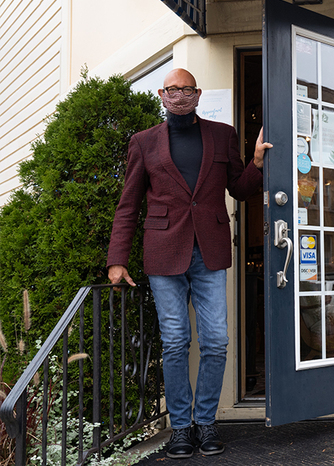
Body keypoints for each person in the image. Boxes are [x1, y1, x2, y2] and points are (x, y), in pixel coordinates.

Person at [107, 68, 272, 459]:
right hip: (164, 252)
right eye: (172, 90)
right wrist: (117, 260)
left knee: (216, 341)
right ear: (162, 95)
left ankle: (205, 421)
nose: (179, 96)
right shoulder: (144, 142)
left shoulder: (221, 134)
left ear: (197, 94)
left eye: (186, 89)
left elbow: (239, 188)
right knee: (176, 342)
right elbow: (128, 205)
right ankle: (181, 428)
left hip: (209, 250)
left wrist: (257, 163)